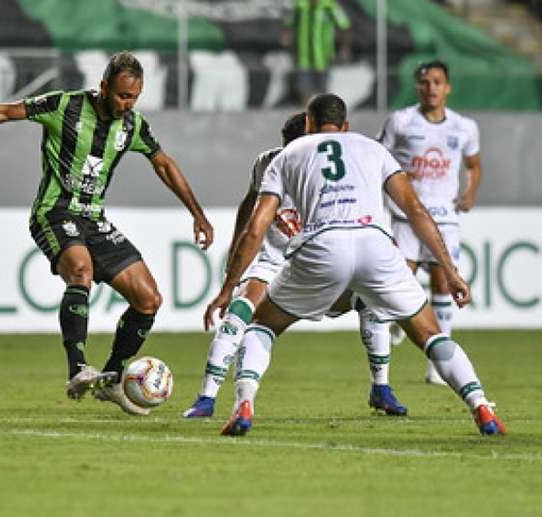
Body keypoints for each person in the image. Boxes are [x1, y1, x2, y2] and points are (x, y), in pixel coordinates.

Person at [0, 51, 214, 416]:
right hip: (54, 212)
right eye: (122, 96)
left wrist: (197, 214)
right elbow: (5, 111)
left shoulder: (132, 126)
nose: (127, 105)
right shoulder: (64, 105)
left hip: (94, 219)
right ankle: (78, 368)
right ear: (104, 87)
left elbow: (164, 164)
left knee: (149, 299)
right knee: (81, 271)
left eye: (134, 98)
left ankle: (111, 377)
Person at [205, 93, 505, 437]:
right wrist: (450, 270)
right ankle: (481, 406)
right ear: (345, 126)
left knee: (262, 325)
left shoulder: (287, 155)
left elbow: (256, 228)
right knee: (429, 333)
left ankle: (244, 403)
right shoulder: (372, 149)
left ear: (308, 124)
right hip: (375, 245)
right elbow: (416, 211)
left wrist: (228, 287)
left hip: (320, 247)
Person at [183, 112, 406, 419]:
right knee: (239, 310)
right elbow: (250, 207)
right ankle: (206, 398)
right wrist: (235, 257)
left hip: (322, 260)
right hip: (275, 262)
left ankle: (381, 389)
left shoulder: (337, 168)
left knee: (370, 302)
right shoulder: (269, 163)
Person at [378, 60, 483, 385]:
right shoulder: (401, 121)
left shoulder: (464, 127)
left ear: (447, 87)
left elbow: (474, 165)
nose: (431, 88)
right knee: (398, 283)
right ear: (417, 87)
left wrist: (469, 193)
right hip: (405, 217)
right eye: (425, 83)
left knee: (443, 282)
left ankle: (437, 366)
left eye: (437, 82)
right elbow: (376, 157)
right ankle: (399, 320)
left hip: (444, 218)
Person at [282, 0, 352, 105]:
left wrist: (345, 47)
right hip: (303, 56)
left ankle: (322, 114)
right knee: (304, 89)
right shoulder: (300, 5)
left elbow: (345, 25)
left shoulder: (329, 6)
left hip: (323, 56)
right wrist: (287, 36)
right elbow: (289, 23)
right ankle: (306, 115)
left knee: (323, 90)